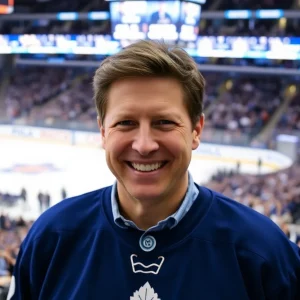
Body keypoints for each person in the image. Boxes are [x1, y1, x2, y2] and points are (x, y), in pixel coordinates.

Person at [8, 40, 300, 299]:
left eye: (164, 122)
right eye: (126, 123)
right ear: (103, 131)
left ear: (196, 130)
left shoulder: (263, 252)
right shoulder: (51, 238)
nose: (144, 145)